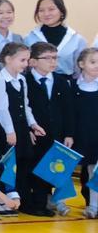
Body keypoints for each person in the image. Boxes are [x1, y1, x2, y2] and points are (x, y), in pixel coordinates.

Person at [0, 42, 43, 210]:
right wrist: (9, 131)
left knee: (24, 162)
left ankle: (21, 199)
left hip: (21, 128)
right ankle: (2, 200)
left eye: (27, 60)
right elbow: (0, 109)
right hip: (5, 129)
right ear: (8, 59)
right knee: (7, 165)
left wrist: (33, 124)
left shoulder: (22, 79)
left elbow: (25, 106)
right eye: (22, 60)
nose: (26, 64)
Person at [23, 42, 75, 216]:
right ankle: (35, 201)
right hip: (35, 134)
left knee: (52, 167)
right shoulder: (25, 81)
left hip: (56, 133)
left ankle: (48, 200)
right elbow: (22, 108)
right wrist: (28, 129)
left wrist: (69, 133)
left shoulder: (61, 82)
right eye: (47, 58)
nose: (53, 62)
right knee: (34, 166)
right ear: (33, 61)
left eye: (55, 58)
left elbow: (68, 110)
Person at [24, 0, 87, 76]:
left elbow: (80, 71)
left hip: (67, 82)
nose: (46, 14)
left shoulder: (76, 39)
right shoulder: (29, 38)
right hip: (36, 82)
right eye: (41, 10)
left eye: (51, 9)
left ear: (61, 11)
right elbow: (24, 67)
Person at [69, 47, 98, 218]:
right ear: (81, 64)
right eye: (93, 62)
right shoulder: (73, 86)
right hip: (80, 135)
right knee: (86, 169)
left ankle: (94, 205)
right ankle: (90, 203)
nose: (97, 66)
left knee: (94, 169)